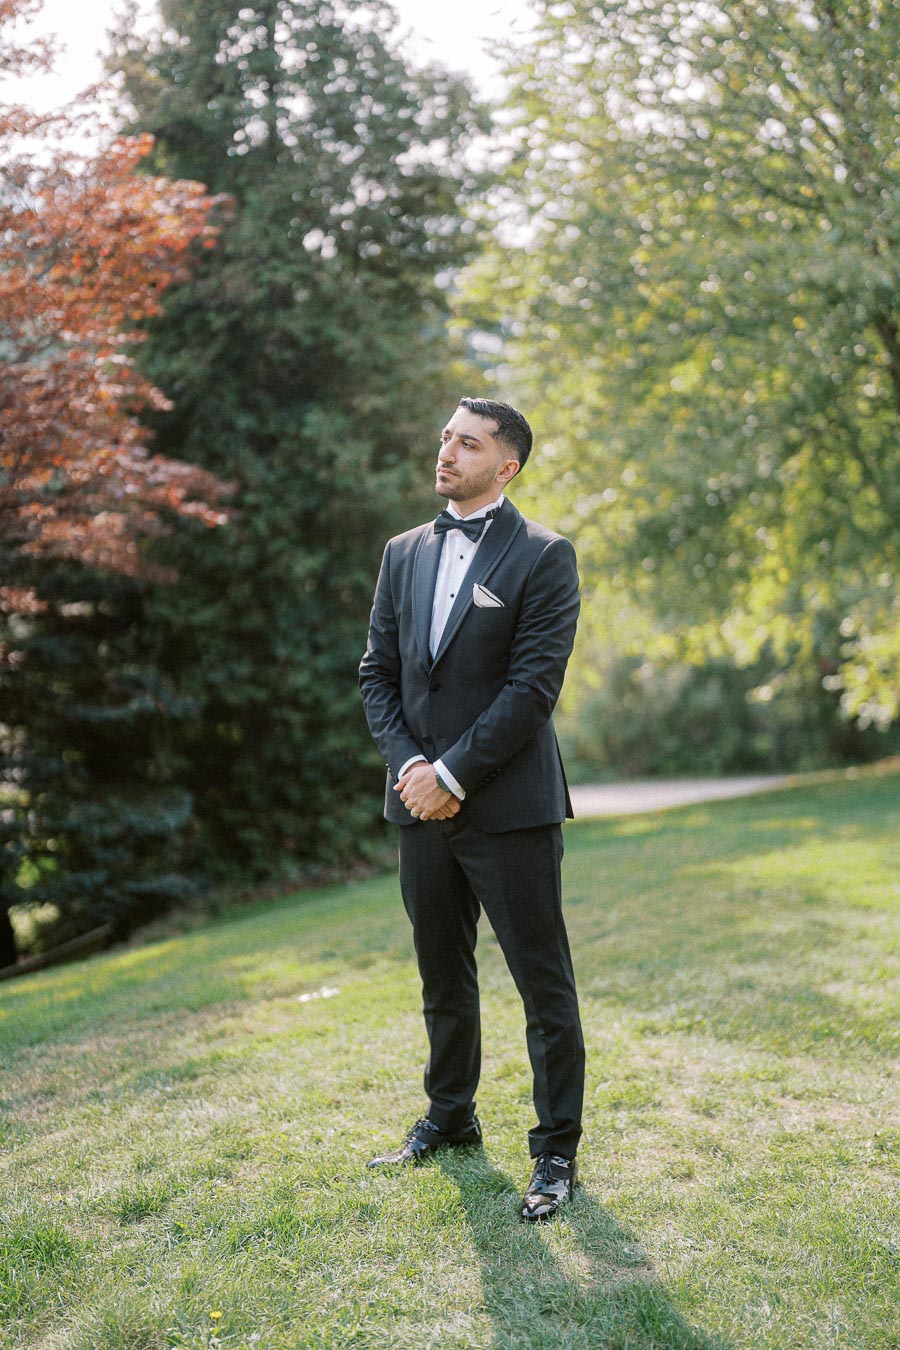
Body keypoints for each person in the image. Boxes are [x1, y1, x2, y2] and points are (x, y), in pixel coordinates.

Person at [358, 396, 584, 1222]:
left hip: (511, 810)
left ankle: (555, 1151)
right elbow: (376, 674)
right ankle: (450, 1120)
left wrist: (452, 772)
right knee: (441, 978)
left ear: (507, 464)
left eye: (469, 442)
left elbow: (533, 689)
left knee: (542, 983)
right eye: (446, 435)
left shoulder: (545, 556)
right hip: (416, 806)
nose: (447, 451)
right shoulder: (402, 552)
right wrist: (413, 767)